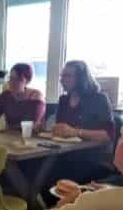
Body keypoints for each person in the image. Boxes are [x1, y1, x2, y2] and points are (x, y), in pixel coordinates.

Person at [47, 60, 116, 189]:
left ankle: (50, 204)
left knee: (55, 173)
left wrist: (75, 132)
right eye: (61, 76)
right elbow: (60, 129)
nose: (62, 80)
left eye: (67, 76)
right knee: (35, 166)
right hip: (64, 154)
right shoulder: (63, 100)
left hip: (92, 158)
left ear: (81, 78)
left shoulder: (99, 99)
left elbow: (108, 135)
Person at [0, 63, 45, 129]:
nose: (12, 83)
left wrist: (7, 128)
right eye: (11, 78)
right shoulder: (5, 96)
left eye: (18, 79)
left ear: (28, 81)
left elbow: (29, 125)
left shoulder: (36, 97)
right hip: (10, 136)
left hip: (32, 138)